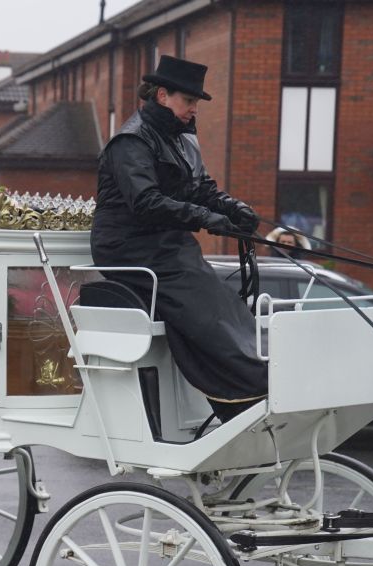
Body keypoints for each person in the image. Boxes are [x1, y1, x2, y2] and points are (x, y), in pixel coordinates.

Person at [91, 55, 267, 422]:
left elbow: (201, 187)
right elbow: (145, 201)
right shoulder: (130, 141)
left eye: (195, 103)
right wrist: (207, 218)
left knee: (221, 299)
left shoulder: (182, 137)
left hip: (166, 243)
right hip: (128, 246)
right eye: (188, 101)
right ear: (162, 96)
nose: (192, 110)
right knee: (201, 301)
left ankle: (253, 376)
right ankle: (246, 388)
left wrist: (234, 209)